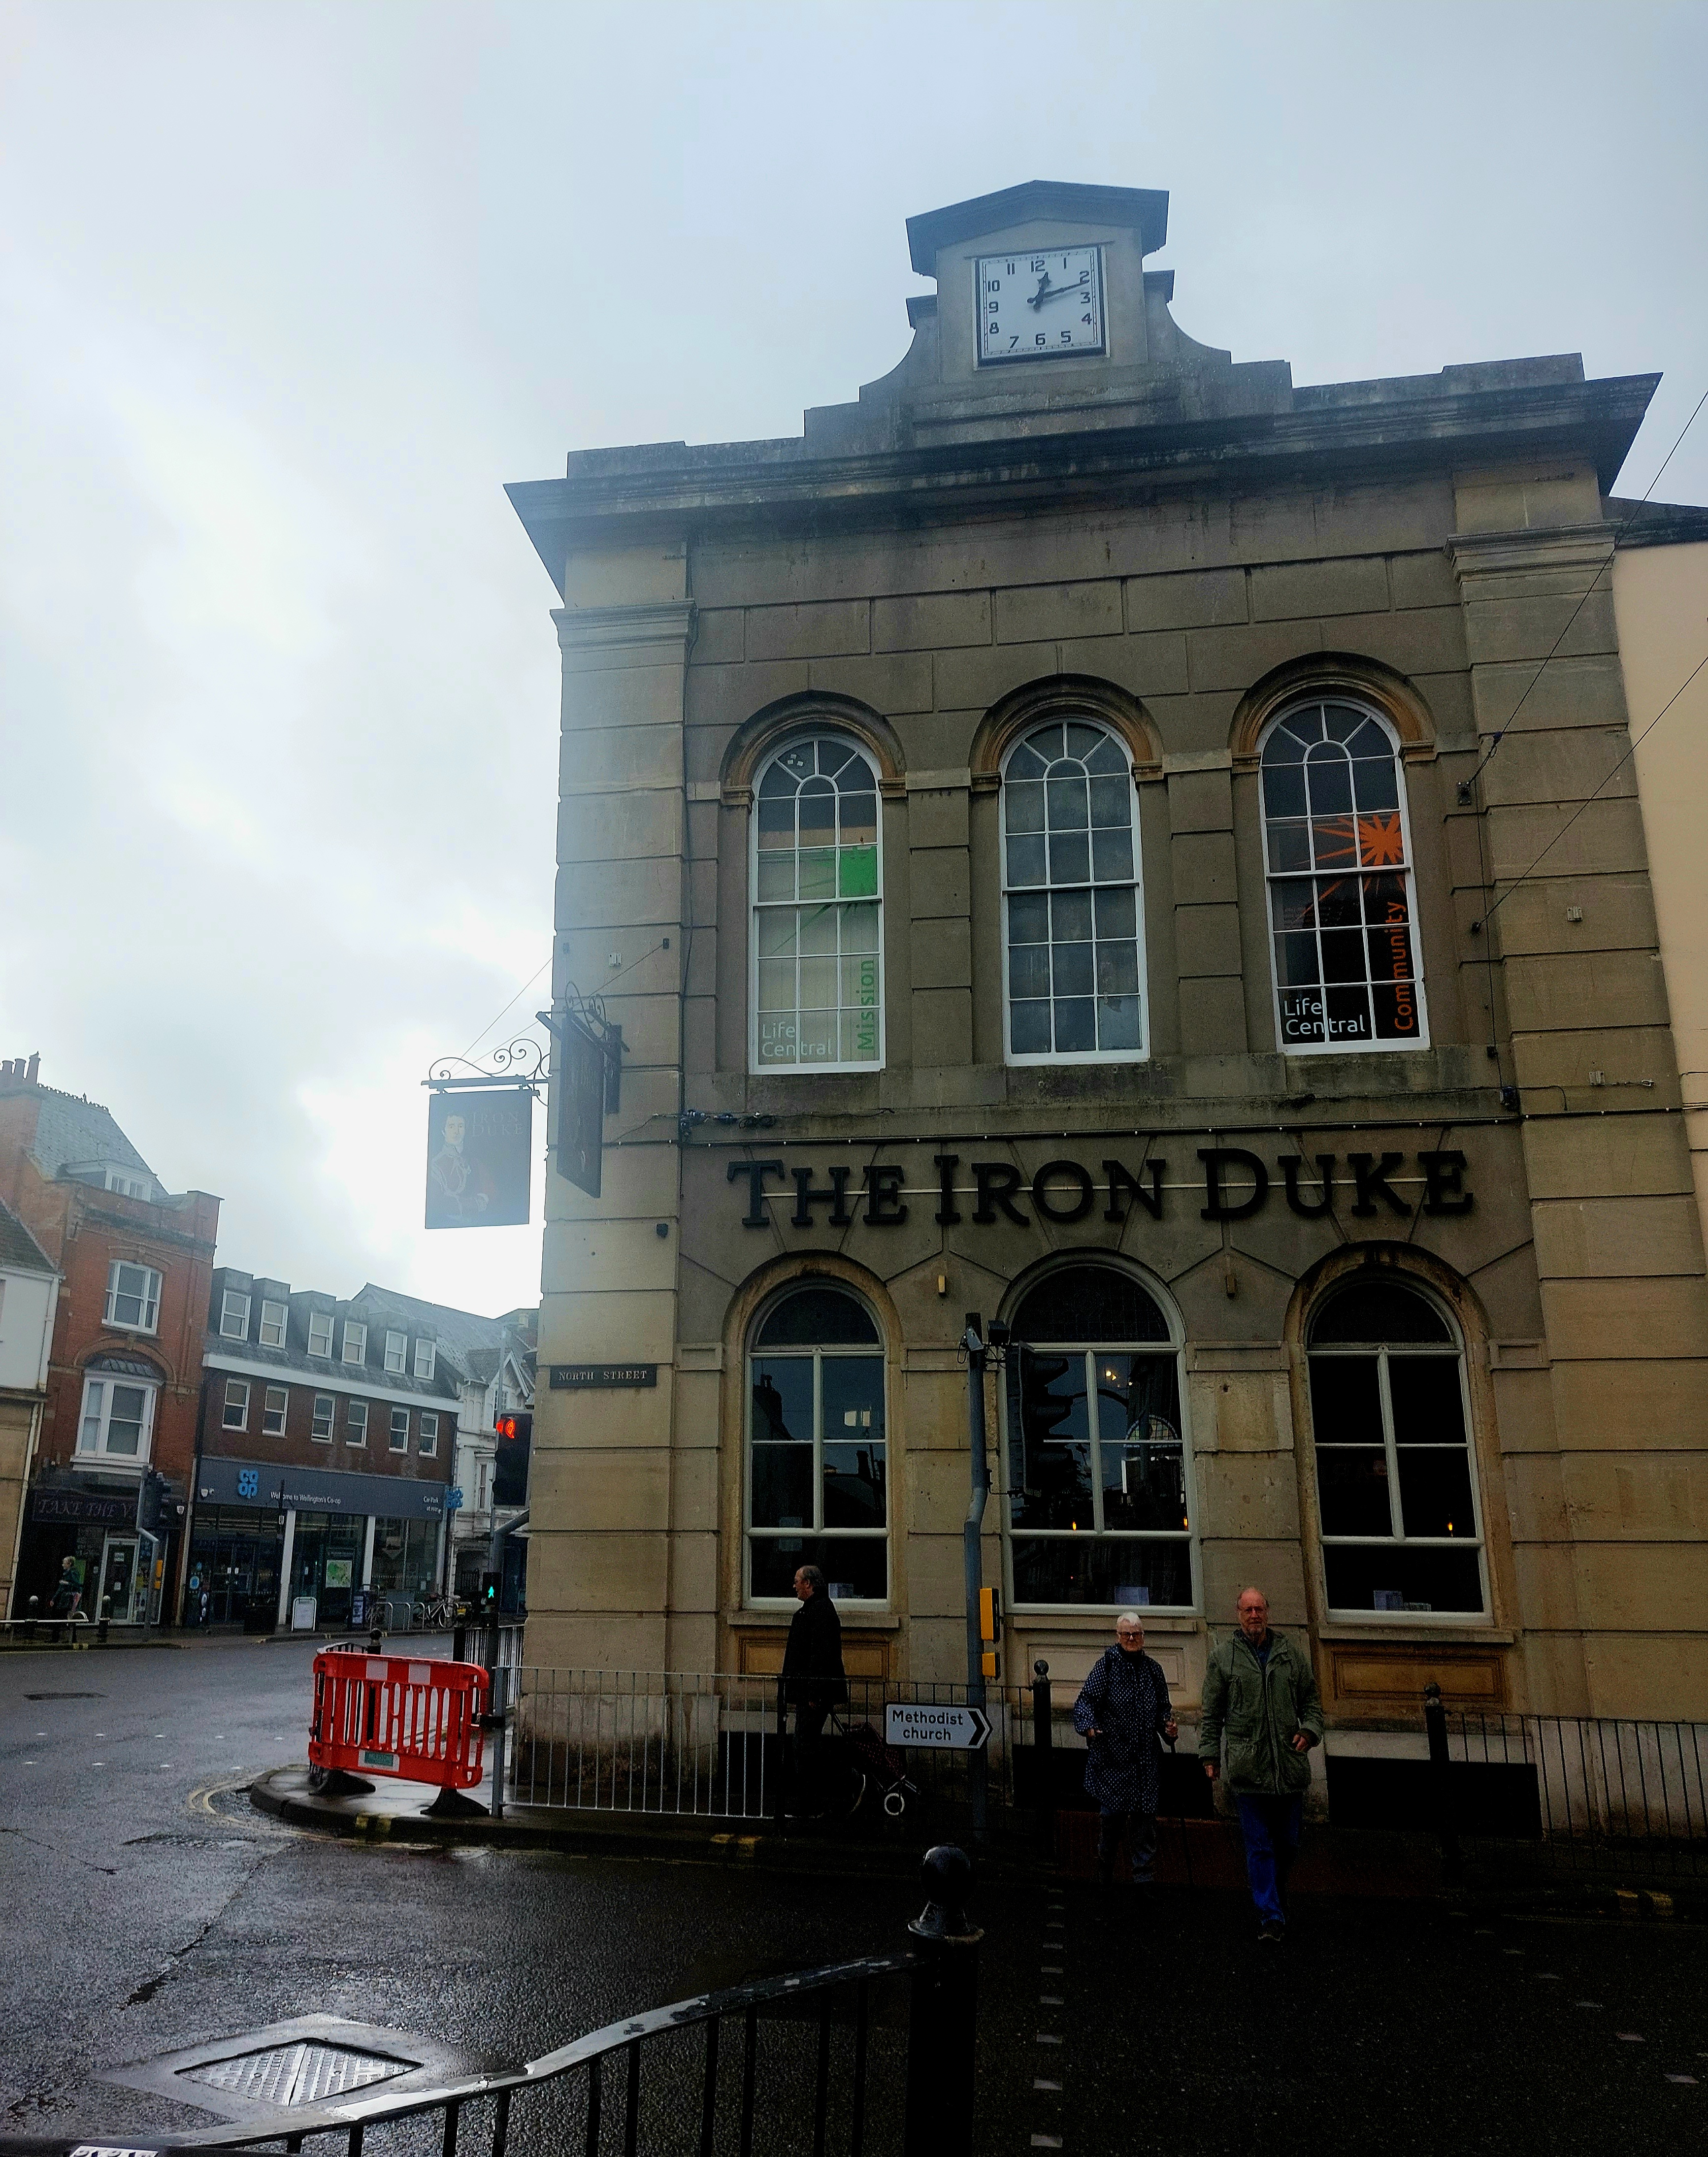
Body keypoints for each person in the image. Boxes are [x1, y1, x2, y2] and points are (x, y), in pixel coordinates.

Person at [1198, 1586, 1324, 1942]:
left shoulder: (1290, 1654)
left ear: (1267, 1612)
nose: (1254, 1615)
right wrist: (1209, 1755)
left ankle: (1276, 1897)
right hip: (1248, 1769)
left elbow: (1312, 1703)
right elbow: (1212, 1713)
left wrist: (1309, 1731)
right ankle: (1270, 1915)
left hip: (1288, 1768)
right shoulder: (1224, 1657)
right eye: (1248, 1610)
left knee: (1288, 1845)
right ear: (1238, 1614)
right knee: (1259, 1847)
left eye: (1259, 1609)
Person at [1074, 1611, 1178, 1888]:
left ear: (1144, 1637)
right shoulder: (1107, 1666)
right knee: (1111, 1821)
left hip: (1145, 1761)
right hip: (1113, 1759)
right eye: (1126, 1634)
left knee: (1145, 1824)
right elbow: (1086, 1701)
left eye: (1136, 1634)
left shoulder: (1153, 1670)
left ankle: (1144, 1880)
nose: (1132, 1638)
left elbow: (1163, 1710)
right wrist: (1090, 1727)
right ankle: (1104, 1870)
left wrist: (1168, 1729)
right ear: (1118, 1636)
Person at [781, 1564, 852, 1816]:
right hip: (809, 1692)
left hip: (813, 1694)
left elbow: (821, 1656)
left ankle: (812, 1803)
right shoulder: (814, 1610)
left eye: (797, 1581)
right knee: (805, 1745)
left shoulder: (820, 1611)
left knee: (804, 1746)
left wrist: (814, 1693)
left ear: (808, 1584)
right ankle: (811, 1802)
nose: (794, 1586)